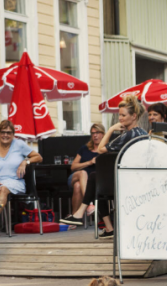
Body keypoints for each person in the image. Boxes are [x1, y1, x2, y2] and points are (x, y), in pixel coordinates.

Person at [59, 95, 148, 237]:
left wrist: (111, 129)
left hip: (128, 182)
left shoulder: (128, 134)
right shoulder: (142, 133)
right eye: (119, 115)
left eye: (123, 115)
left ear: (134, 116)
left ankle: (81, 213)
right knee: (95, 179)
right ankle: (106, 227)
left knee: (96, 181)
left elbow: (100, 149)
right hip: (139, 178)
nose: (120, 118)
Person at [0, 120, 42, 209]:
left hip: (15, 182)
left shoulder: (19, 145)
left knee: (3, 189)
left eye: (8, 133)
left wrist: (25, 162)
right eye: (2, 132)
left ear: (13, 135)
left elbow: (39, 157)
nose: (5, 135)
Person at [68, 123, 105, 213]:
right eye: (93, 133)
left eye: (97, 133)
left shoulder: (105, 150)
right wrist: (89, 162)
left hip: (94, 182)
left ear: (103, 134)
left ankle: (74, 217)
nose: (95, 135)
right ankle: (89, 203)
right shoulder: (85, 148)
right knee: (83, 173)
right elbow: (73, 167)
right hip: (76, 176)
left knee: (78, 186)